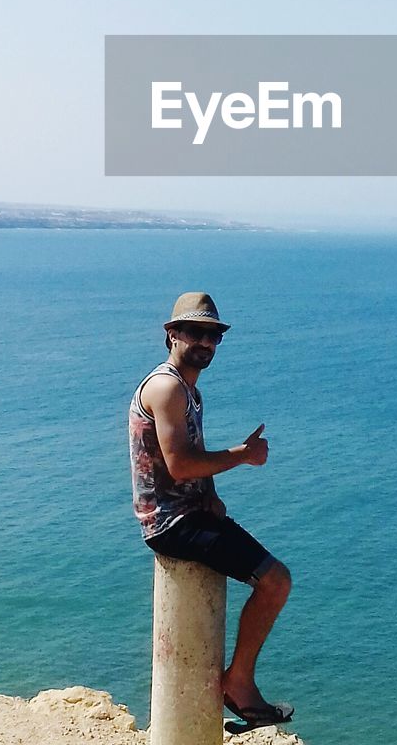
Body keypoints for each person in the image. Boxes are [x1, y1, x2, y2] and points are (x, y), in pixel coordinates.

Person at [128, 291, 293, 728]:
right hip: (170, 523)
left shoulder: (186, 389)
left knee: (273, 578)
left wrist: (211, 494)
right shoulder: (166, 388)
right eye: (196, 332)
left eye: (214, 335)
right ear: (172, 334)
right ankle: (238, 683)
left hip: (186, 513)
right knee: (275, 581)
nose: (206, 342)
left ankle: (239, 681)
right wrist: (242, 455)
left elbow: (190, 452)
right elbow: (180, 464)